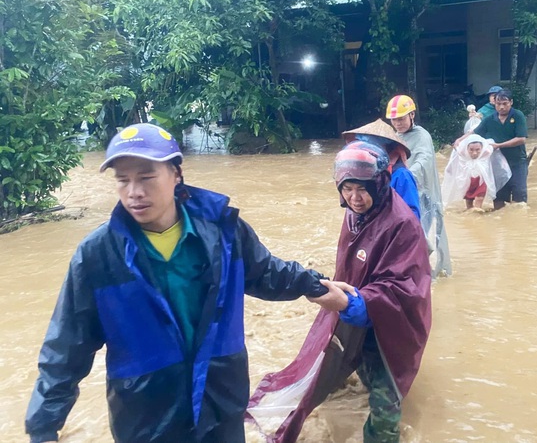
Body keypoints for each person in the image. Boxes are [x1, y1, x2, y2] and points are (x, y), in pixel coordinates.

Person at [24, 123, 341, 443]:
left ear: (176, 174)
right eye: (123, 180)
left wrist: (317, 286)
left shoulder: (222, 231)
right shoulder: (97, 255)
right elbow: (67, 345)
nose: (134, 191)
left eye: (146, 177)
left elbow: (265, 272)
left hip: (220, 404)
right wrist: (44, 426)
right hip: (148, 419)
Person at [246, 141, 432, 443]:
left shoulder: (403, 224)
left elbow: (405, 289)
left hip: (392, 325)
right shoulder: (355, 215)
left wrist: (353, 302)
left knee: (385, 406)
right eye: (347, 189)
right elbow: (350, 269)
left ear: (380, 184)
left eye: (362, 189)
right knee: (325, 372)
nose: (355, 198)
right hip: (356, 315)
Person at [385, 94, 451, 277]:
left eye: (401, 119)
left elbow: (423, 160)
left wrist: (405, 177)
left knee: (417, 233)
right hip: (403, 192)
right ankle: (416, 271)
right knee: (406, 235)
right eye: (394, 120)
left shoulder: (422, 136)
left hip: (422, 195)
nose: (397, 123)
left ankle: (422, 273)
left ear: (412, 115)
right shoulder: (393, 137)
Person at [456, 89, 528, 209]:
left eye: (505, 104)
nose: (501, 107)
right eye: (498, 104)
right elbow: (475, 132)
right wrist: (460, 140)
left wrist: (499, 145)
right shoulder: (490, 119)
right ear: (494, 103)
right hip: (497, 164)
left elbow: (521, 139)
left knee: (519, 198)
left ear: (511, 102)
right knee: (499, 198)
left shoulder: (517, 116)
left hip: (517, 162)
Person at [342, 118, 420, 219]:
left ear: (386, 149)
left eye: (371, 148)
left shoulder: (401, 175)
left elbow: (412, 217)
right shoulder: (362, 174)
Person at [441, 134, 512, 211]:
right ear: (466, 148)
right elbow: (454, 158)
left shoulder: (486, 152)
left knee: (479, 199)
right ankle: (470, 217)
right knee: (469, 201)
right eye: (471, 150)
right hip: (467, 180)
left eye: (478, 150)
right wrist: (449, 170)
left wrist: (498, 145)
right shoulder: (462, 152)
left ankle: (477, 215)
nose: (474, 153)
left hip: (481, 180)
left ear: (482, 148)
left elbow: (493, 147)